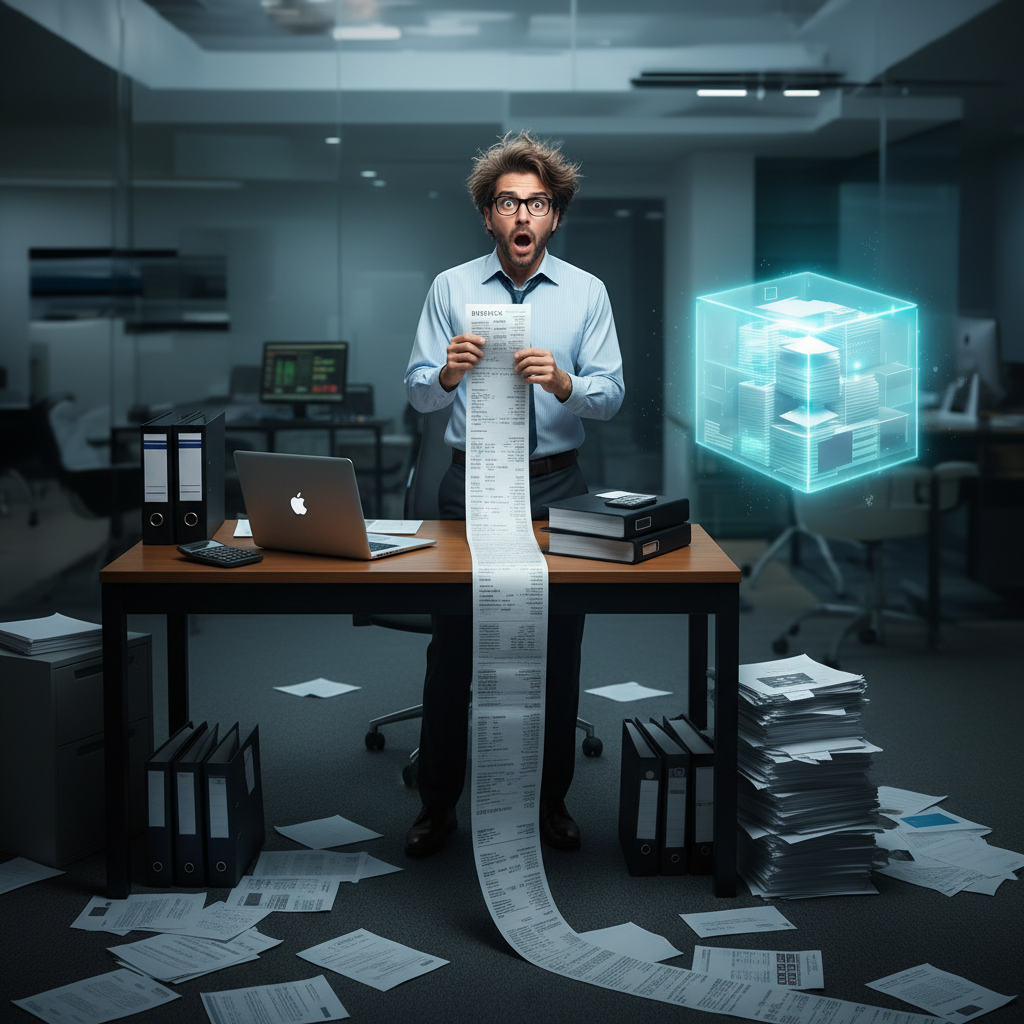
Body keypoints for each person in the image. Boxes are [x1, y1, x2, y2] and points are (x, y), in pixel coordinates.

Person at [403, 130, 624, 857]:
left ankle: (549, 800)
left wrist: (564, 382)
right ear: (488, 215)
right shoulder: (451, 289)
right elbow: (418, 397)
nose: (522, 215)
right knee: (453, 650)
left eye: (536, 203)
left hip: (558, 488)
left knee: (557, 651)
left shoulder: (587, 293)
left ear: (554, 216)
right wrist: (444, 375)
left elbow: (611, 396)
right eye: (507, 202)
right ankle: (437, 803)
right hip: (468, 486)